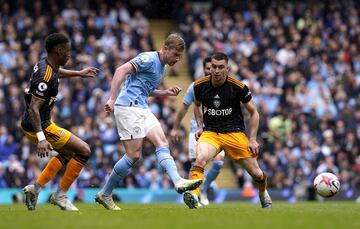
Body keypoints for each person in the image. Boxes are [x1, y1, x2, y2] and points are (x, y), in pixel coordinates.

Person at [95, 33, 202, 210]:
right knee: (133, 156)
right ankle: (105, 193)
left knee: (162, 141)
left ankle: (177, 181)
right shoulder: (147, 58)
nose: (177, 59)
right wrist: (112, 98)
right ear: (165, 48)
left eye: (179, 56)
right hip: (127, 107)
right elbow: (120, 70)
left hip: (142, 107)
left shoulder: (163, 67)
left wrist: (165, 92)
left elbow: (146, 90)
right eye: (175, 54)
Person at [183, 52, 272, 209]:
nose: (216, 71)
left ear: (227, 68)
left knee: (257, 174)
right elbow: (196, 105)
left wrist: (252, 139)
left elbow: (254, 113)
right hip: (211, 133)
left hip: (234, 133)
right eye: (213, 67)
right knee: (200, 158)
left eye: (220, 67)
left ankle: (263, 192)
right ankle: (194, 195)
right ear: (209, 68)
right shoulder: (199, 86)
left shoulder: (239, 88)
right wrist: (199, 126)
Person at [22, 33, 98, 211]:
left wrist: (78, 73)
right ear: (58, 51)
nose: (69, 55)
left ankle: (35, 189)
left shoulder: (46, 64)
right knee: (84, 150)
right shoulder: (45, 75)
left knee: (66, 153)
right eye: (68, 51)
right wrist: (41, 138)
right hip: (40, 125)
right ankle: (60, 195)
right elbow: (34, 107)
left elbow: (56, 73)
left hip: (38, 123)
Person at [170, 56, 225, 206]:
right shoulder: (195, 86)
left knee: (219, 163)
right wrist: (175, 128)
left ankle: (204, 189)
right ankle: (194, 195)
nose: (211, 71)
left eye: (213, 68)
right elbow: (183, 108)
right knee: (197, 163)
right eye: (208, 68)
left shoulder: (223, 86)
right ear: (204, 69)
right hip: (197, 130)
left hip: (217, 131)